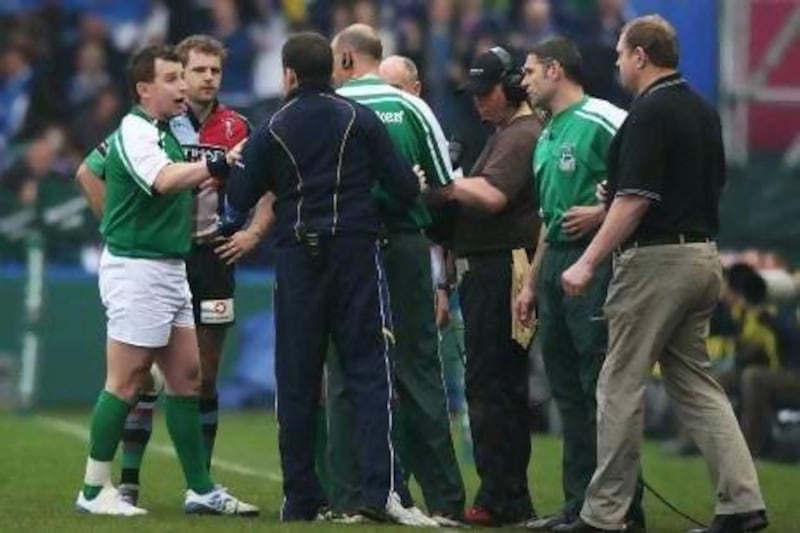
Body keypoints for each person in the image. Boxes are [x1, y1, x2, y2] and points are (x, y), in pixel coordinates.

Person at [558, 15, 768, 533]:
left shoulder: (650, 112)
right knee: (697, 385)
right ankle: (742, 503)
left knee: (619, 384)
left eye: (620, 53)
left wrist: (588, 260)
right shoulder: (701, 109)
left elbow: (636, 201)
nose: (616, 61)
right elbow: (696, 185)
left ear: (640, 56)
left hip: (656, 261)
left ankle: (605, 514)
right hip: (701, 256)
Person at [221, 32, 430, 526]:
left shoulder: (271, 128)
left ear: (288, 75)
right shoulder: (361, 119)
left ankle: (300, 499)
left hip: (298, 258)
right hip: (356, 254)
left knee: (296, 379)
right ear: (337, 67)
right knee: (369, 374)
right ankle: (379, 494)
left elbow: (238, 197)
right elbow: (403, 188)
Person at [76, 35, 274, 506]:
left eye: (210, 71)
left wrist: (252, 232)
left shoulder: (199, 126)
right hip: (141, 263)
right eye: (179, 75)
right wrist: (219, 163)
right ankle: (98, 487)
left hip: (189, 261)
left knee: (190, 376)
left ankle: (201, 488)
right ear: (147, 88)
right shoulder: (139, 130)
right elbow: (162, 179)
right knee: (129, 380)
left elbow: (268, 188)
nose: (193, 82)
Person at [325, 25, 465, 527]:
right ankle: (445, 500)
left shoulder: (331, 106)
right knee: (418, 367)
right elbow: (447, 188)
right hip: (405, 246)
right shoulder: (410, 107)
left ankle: (349, 498)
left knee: (345, 370)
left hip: (346, 247)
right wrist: (409, 189)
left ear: (344, 58)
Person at [515, 37, 644, 531]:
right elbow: (551, 216)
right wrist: (530, 282)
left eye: (528, 71)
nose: (523, 82)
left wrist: (604, 212)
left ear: (553, 70)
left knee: (599, 389)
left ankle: (622, 511)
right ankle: (578, 507)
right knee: (567, 392)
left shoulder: (605, 119)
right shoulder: (547, 134)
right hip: (555, 267)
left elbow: (646, 180)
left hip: (598, 263)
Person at [440, 46, 542, 527]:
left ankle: (501, 498)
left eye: (487, 91)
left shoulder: (521, 135)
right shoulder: (504, 132)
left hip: (501, 269)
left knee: (492, 385)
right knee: (496, 385)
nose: (478, 101)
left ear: (514, 88)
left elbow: (494, 195)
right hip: (487, 268)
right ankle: (507, 494)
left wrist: (443, 183)